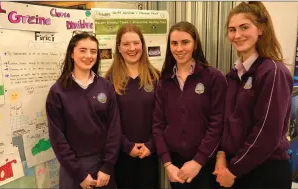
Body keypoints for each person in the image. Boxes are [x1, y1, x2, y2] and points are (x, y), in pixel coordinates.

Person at [214, 2, 293, 188]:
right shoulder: (233, 75)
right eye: (232, 30)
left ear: (261, 29)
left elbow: (267, 132)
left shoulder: (273, 72)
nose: (237, 35)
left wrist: (234, 170)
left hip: (265, 171)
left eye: (244, 27)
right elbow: (227, 121)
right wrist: (222, 155)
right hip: (237, 167)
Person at [152, 21, 227, 189]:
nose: (179, 49)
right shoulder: (164, 82)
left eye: (185, 42)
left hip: (206, 163)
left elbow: (218, 124)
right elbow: (158, 125)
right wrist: (167, 164)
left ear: (195, 44)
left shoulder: (214, 78)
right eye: (174, 43)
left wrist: (198, 162)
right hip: (175, 165)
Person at [46, 31, 121, 189]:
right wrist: (79, 174)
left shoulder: (105, 86)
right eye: (83, 50)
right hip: (74, 170)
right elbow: (57, 139)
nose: (88, 56)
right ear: (71, 54)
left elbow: (114, 129)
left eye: (93, 51)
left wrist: (107, 166)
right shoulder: (58, 92)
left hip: (104, 168)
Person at [105, 24, 160, 189]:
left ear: (142, 45)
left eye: (136, 43)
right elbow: (108, 122)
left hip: (150, 154)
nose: (132, 48)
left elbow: (163, 117)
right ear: (119, 48)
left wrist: (151, 145)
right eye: (126, 44)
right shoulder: (109, 80)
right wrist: (126, 146)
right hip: (122, 155)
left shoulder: (156, 76)